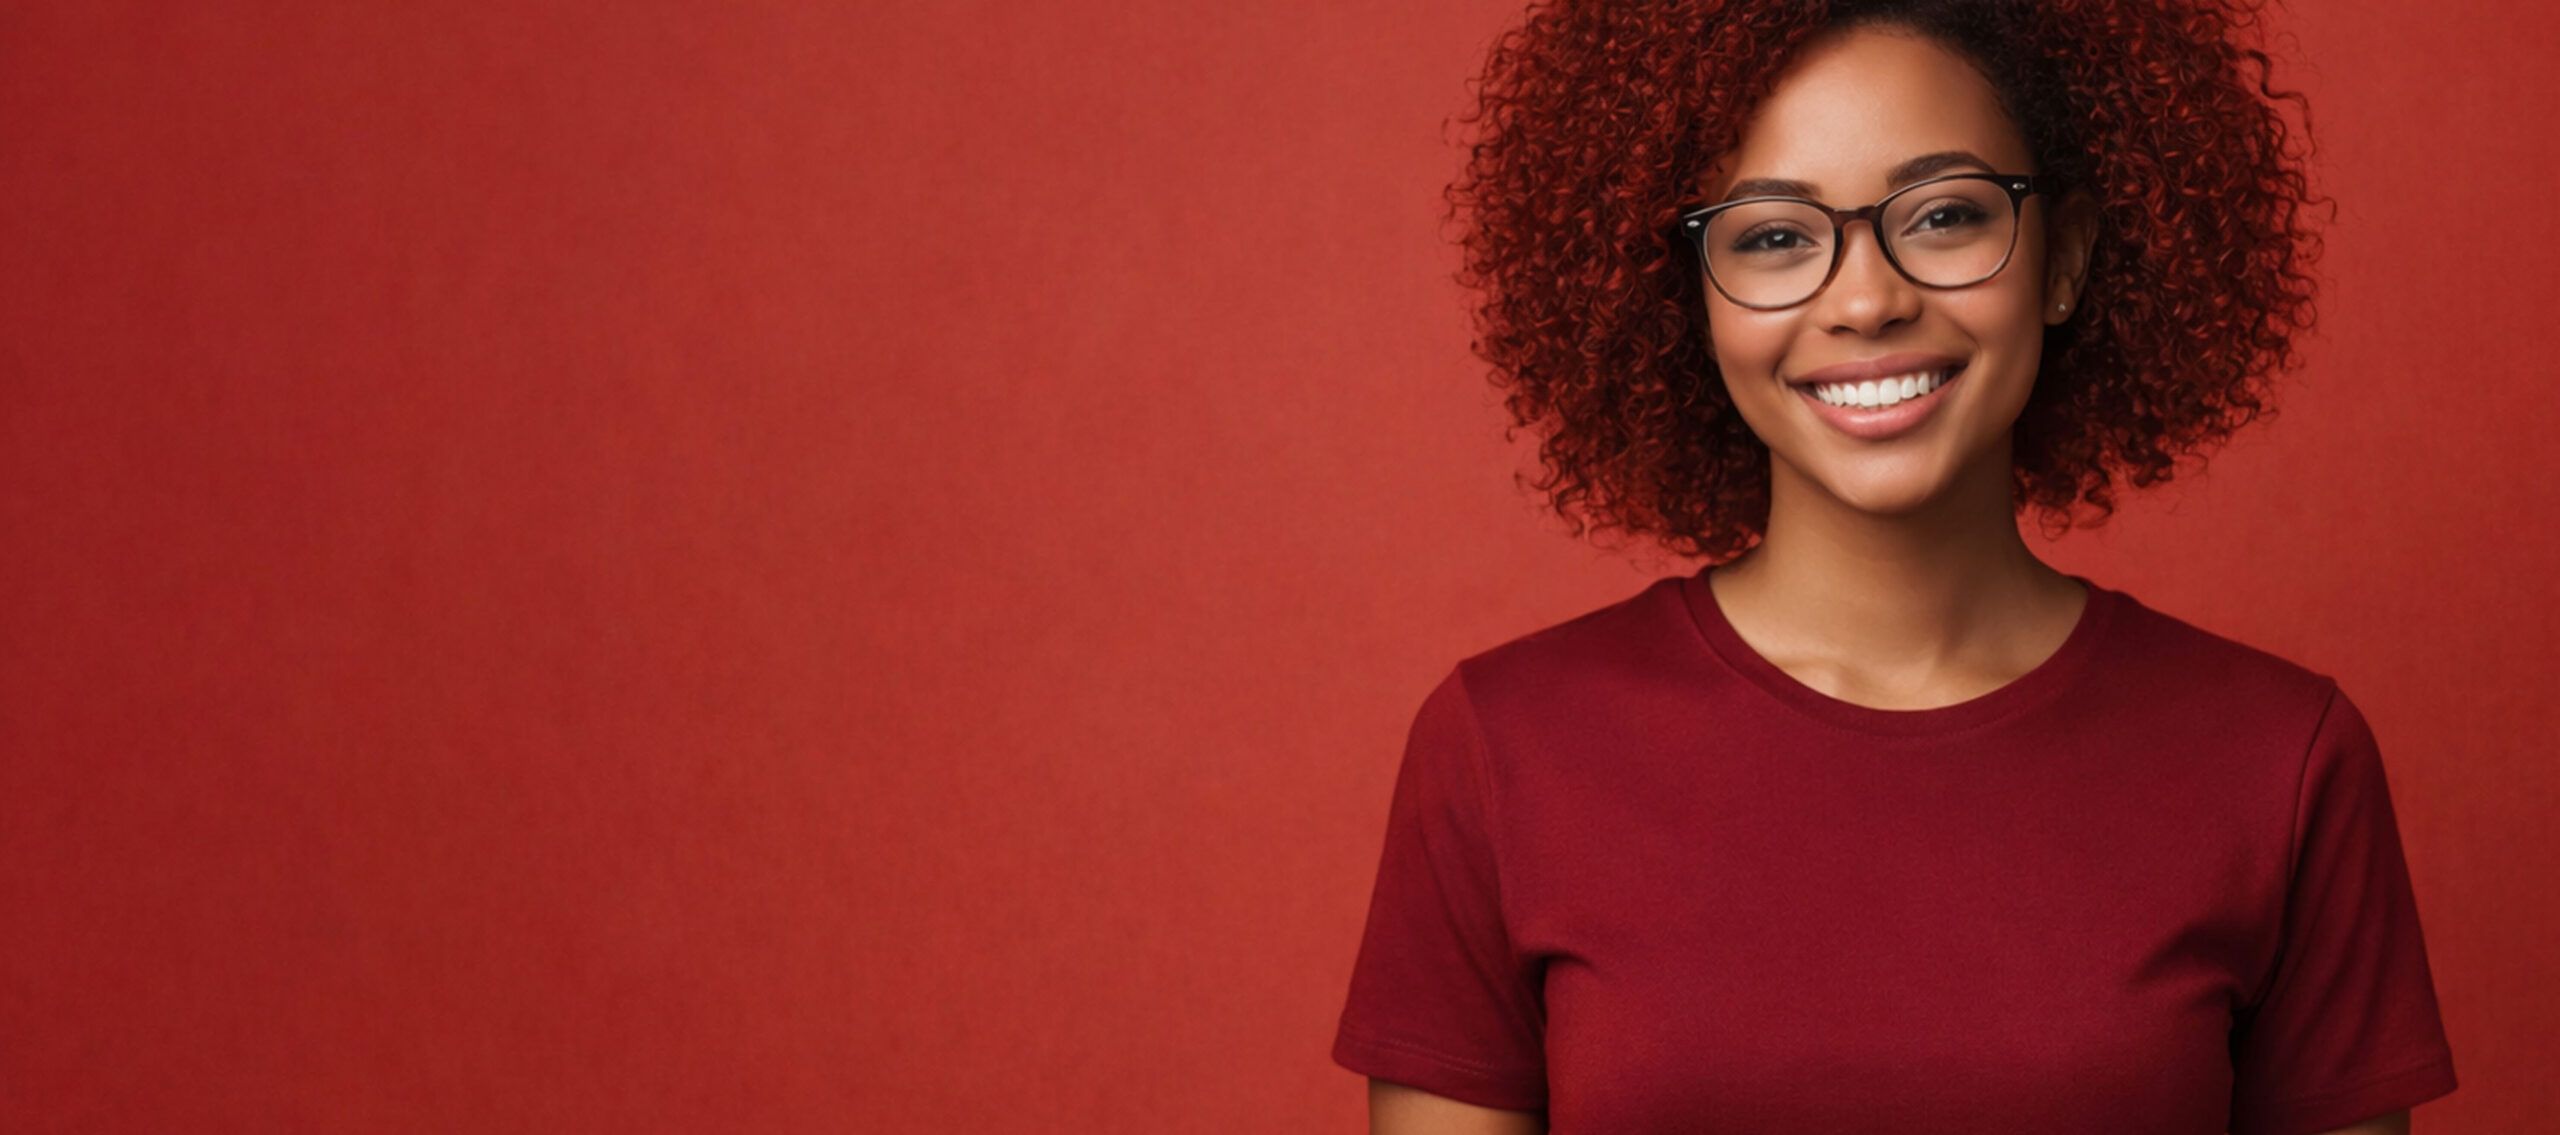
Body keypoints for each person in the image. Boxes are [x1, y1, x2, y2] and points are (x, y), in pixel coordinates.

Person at [1329, 2, 2458, 1133]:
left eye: (1945, 216)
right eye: (1771, 235)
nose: (1865, 300)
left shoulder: (2280, 761)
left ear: (2062, 259)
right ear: (1693, 296)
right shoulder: (1504, 750)